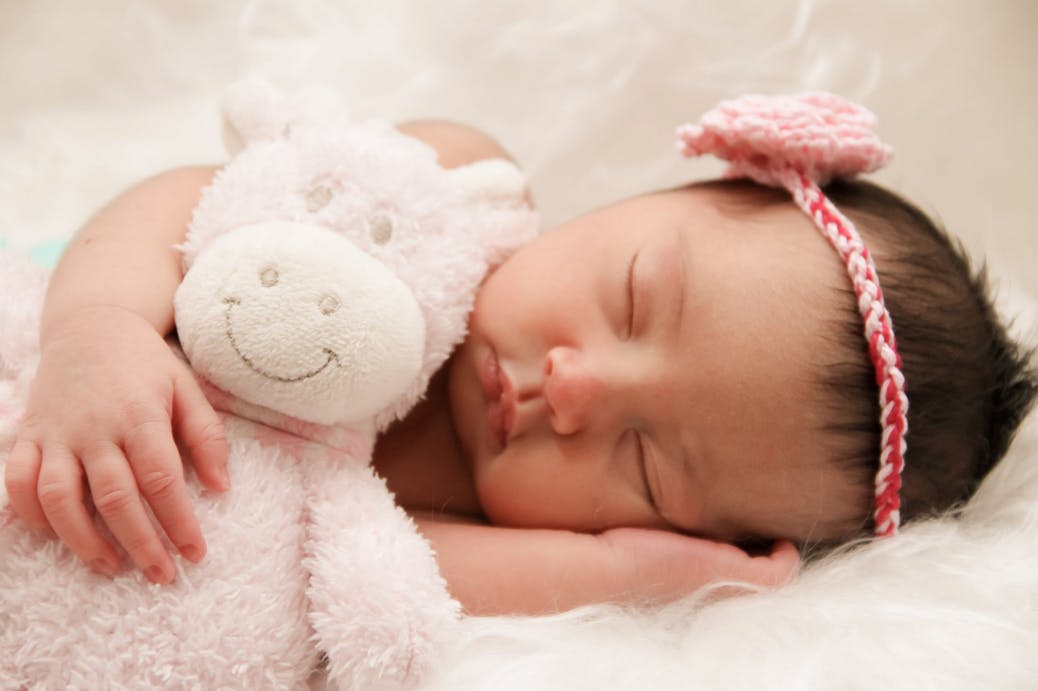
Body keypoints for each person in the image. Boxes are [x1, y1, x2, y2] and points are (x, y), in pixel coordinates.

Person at [4, 98, 1036, 616]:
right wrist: (98, 330)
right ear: (656, 195)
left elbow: (372, 570)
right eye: (635, 296)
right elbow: (193, 198)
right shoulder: (455, 191)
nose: (574, 389)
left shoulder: (487, 513)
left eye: (646, 464)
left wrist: (622, 574)